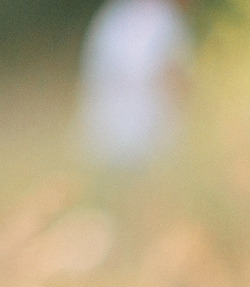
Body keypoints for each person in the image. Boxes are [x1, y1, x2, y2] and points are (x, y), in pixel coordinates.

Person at [78, 0, 189, 168]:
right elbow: (175, 79)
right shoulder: (164, 21)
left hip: (104, 138)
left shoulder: (112, 17)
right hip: (145, 140)